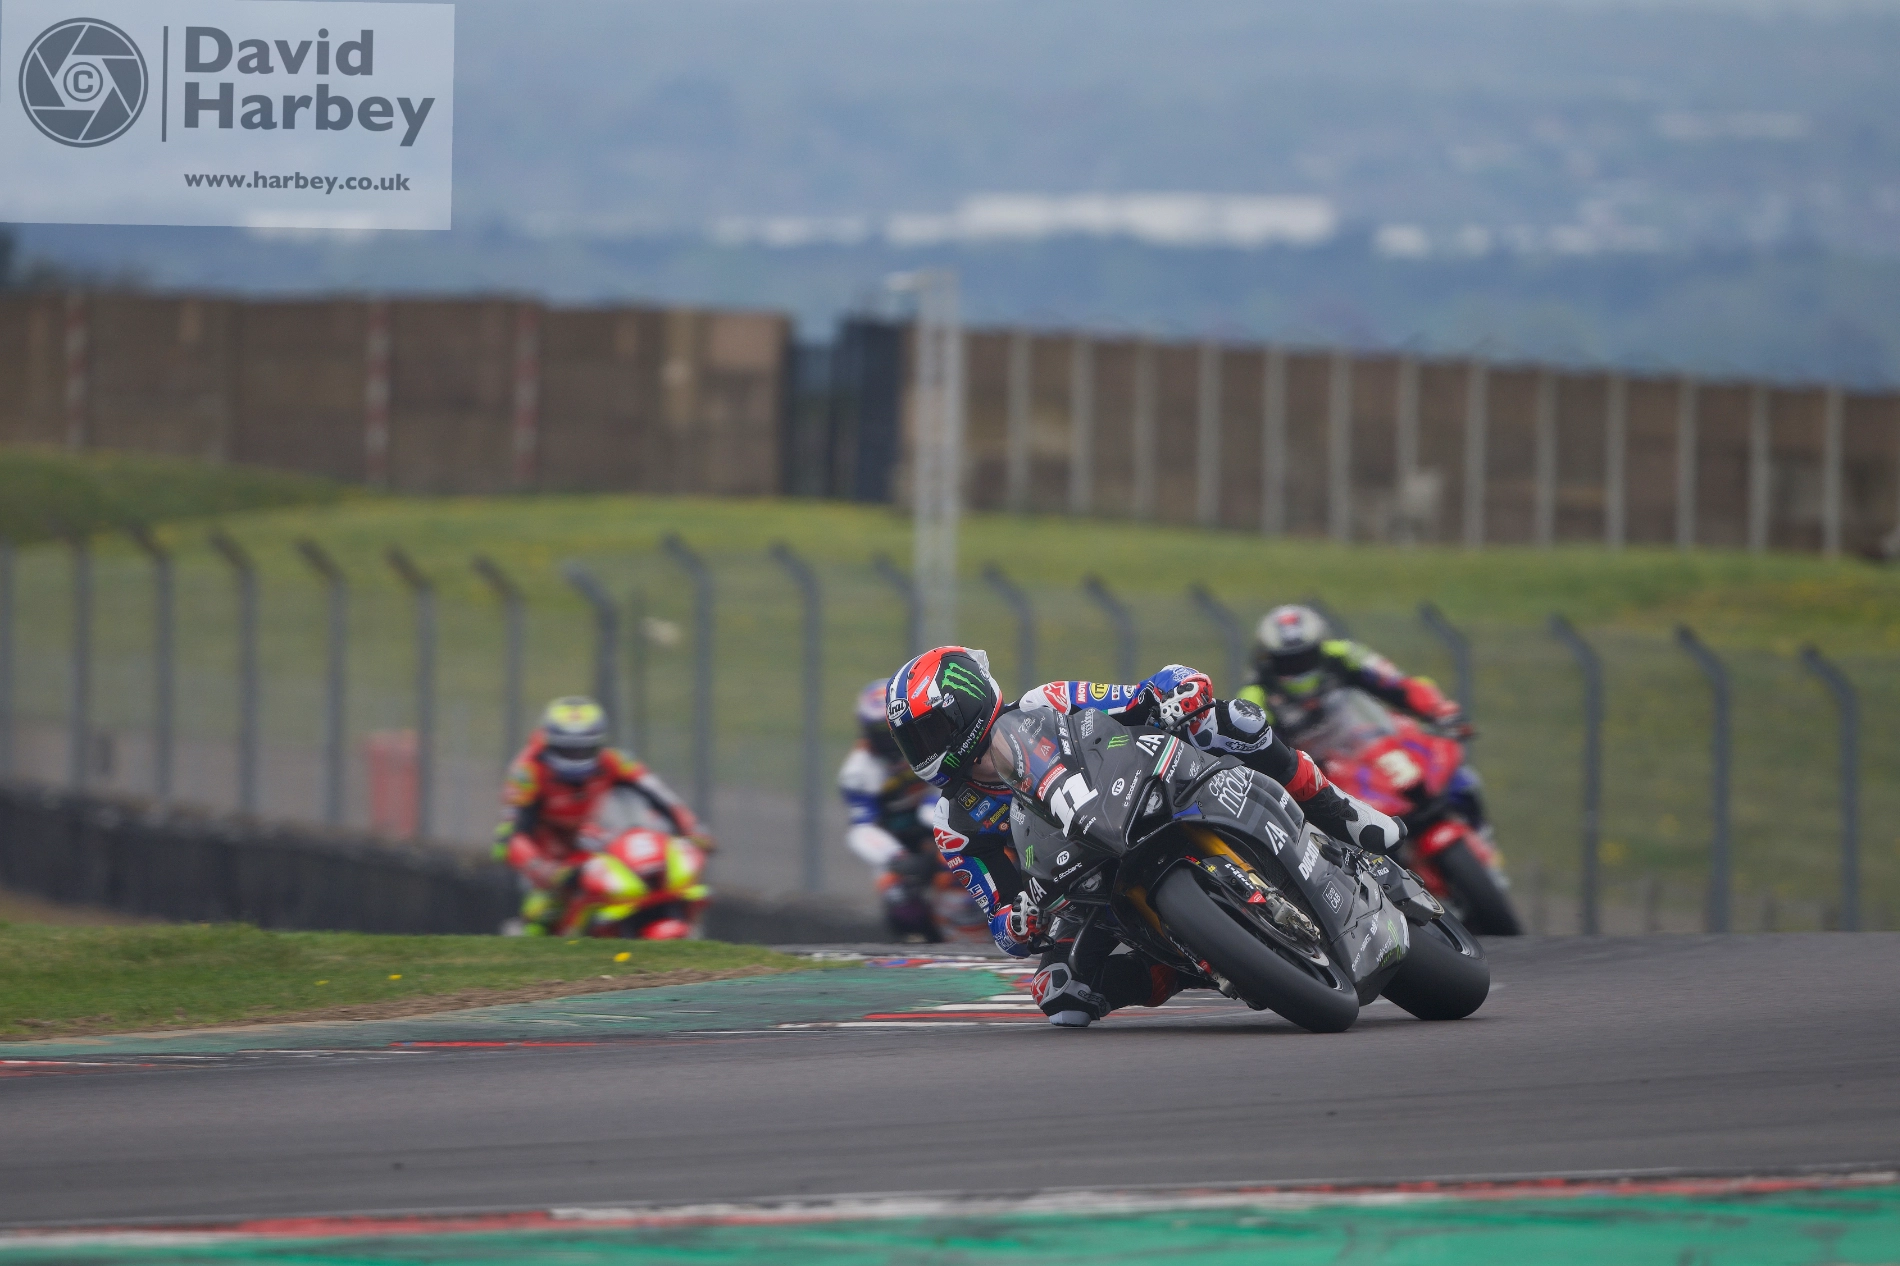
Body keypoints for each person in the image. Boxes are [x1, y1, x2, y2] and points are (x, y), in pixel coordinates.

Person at [884, 648, 1405, 1028]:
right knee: (1058, 994)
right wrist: (1017, 922)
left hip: (1140, 793)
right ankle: (1198, 966)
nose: (923, 750)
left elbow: (1129, 703)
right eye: (913, 741)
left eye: (929, 732)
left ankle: (1337, 810)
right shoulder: (954, 825)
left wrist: (1169, 691)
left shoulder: (1044, 704)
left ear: (965, 708)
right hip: (1083, 885)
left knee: (1232, 721)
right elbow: (1000, 917)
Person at [1240, 604, 1486, 832]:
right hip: (1326, 773)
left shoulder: (1344, 655)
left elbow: (1397, 683)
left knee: (1462, 778)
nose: (1298, 669)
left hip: (1374, 741)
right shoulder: (1256, 694)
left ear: (1318, 648)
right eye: (1287, 662)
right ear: (1269, 659)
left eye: (1304, 658)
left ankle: (1483, 839)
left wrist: (1439, 709)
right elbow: (1255, 751)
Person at [496, 696, 711, 934]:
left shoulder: (615, 761)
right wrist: (551, 872)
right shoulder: (527, 773)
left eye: (583, 750)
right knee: (544, 911)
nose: (576, 757)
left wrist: (693, 829)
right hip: (545, 851)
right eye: (567, 750)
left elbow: (660, 794)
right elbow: (513, 838)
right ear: (550, 743)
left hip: (591, 841)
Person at [838, 678, 949, 941]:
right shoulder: (856, 772)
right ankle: (934, 948)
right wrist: (899, 860)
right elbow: (861, 828)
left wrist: (931, 813)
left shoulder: (936, 742)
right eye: (880, 730)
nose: (891, 739)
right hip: (899, 841)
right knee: (902, 906)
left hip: (945, 818)